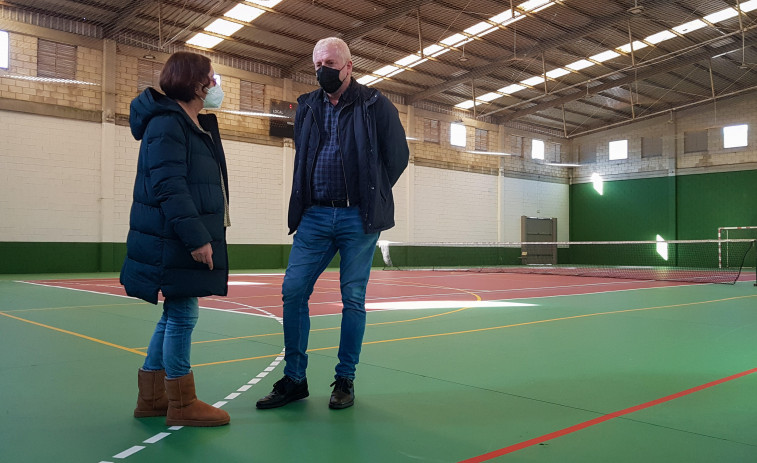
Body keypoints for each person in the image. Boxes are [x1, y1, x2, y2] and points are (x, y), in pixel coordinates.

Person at [256, 37, 409, 410]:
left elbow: (398, 157)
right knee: (293, 291)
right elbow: (304, 153)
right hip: (314, 215)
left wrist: (371, 191)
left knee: (352, 299)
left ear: (348, 66)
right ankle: (294, 379)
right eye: (317, 63)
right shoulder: (307, 106)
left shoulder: (376, 104)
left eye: (329, 63)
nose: (322, 69)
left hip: (359, 217)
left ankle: (345, 379)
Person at [121, 51, 231, 427]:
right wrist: (198, 239)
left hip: (174, 236)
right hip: (174, 238)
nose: (215, 86)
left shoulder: (187, 123)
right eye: (212, 79)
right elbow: (170, 187)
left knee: (174, 314)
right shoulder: (168, 124)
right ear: (197, 83)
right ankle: (181, 403)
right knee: (184, 313)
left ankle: (151, 397)